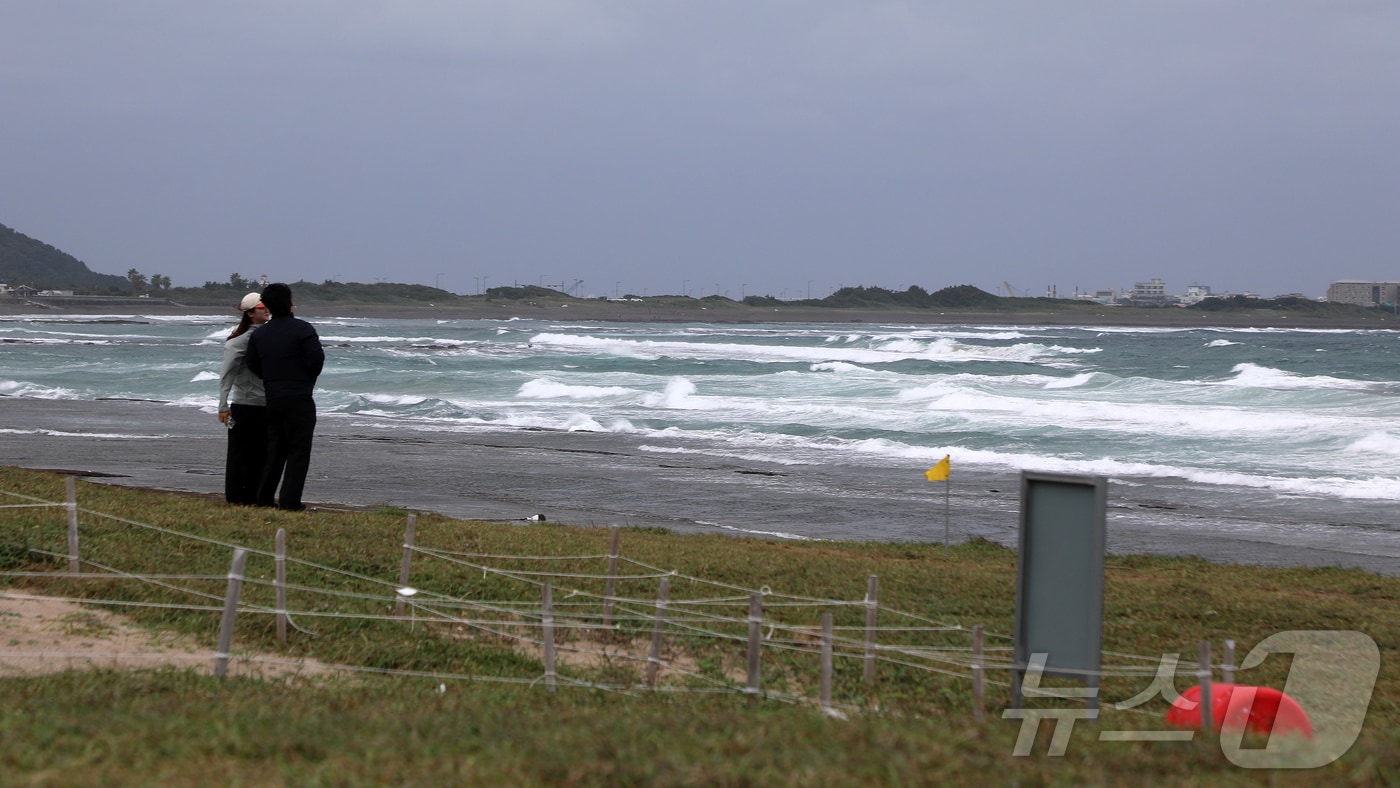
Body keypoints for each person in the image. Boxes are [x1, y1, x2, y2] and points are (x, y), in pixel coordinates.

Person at [246, 282, 324, 511]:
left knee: (275, 449)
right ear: (290, 303)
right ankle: (290, 502)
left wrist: (271, 379)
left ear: (268, 306)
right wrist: (305, 378)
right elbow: (316, 360)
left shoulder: (260, 334)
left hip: (273, 396)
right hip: (299, 396)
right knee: (298, 450)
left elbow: (252, 363)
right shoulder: (303, 329)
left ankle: (264, 498)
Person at [217, 292, 270, 504]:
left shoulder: (271, 337)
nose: (266, 310)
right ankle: (236, 497)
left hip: (267, 405)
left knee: (263, 454)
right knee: (239, 454)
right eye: (261, 307)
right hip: (244, 405)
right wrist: (223, 406)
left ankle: (256, 496)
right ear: (249, 313)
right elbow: (226, 375)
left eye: (267, 306)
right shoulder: (237, 342)